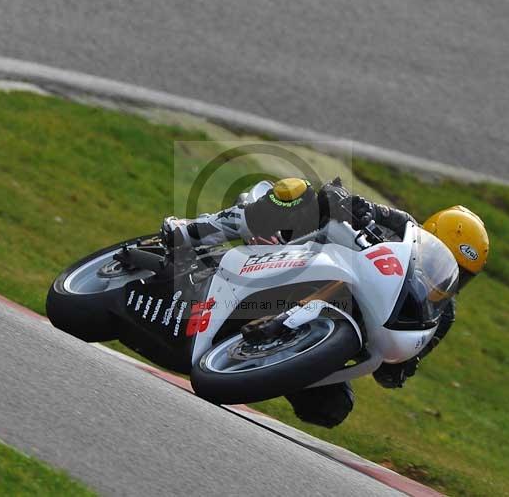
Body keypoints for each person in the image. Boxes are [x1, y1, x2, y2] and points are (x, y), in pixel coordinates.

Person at [161, 177, 489, 427]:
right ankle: (196, 230)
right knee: (300, 193)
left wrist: (403, 365)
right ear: (426, 237)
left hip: (328, 331)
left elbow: (392, 371)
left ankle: (260, 363)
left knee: (332, 408)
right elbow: (351, 204)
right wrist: (349, 204)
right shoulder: (401, 224)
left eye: (462, 275)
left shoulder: (441, 315)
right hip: (302, 259)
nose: (449, 276)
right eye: (445, 259)